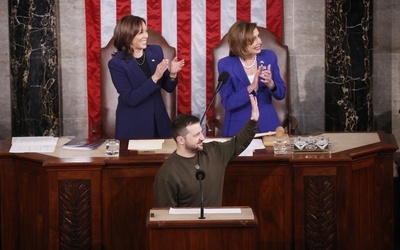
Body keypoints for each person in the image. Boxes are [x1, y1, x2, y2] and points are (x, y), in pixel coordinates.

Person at [153, 94, 259, 207]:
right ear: (181, 140)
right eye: (196, 135)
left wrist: (253, 121)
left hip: (216, 223)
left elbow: (239, 142)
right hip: (187, 224)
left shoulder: (214, 151)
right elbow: (167, 217)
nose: (202, 138)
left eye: (201, 132)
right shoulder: (167, 174)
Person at [108, 15, 185, 139]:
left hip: (158, 121)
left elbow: (168, 87)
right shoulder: (116, 64)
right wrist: (154, 77)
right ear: (128, 36)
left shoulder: (155, 51)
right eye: (141, 33)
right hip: (134, 124)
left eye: (146, 31)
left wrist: (172, 74)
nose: (146, 36)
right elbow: (130, 99)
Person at [218, 20, 286, 137]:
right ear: (241, 43)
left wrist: (271, 84)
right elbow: (228, 102)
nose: (259, 41)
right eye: (253, 39)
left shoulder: (269, 56)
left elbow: (281, 94)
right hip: (239, 128)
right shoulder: (225, 64)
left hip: (267, 125)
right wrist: (251, 87)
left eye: (258, 36)